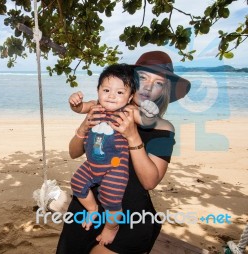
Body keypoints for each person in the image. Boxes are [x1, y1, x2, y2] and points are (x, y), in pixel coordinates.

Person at [56, 51, 191, 254]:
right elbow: (74, 152)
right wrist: (84, 127)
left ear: (163, 91)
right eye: (143, 78)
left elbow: (149, 182)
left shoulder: (163, 128)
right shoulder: (105, 108)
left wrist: (133, 136)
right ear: (131, 81)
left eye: (158, 83)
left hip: (129, 217)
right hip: (86, 207)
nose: (148, 86)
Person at [69, 64, 159, 246]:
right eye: (107, 90)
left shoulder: (128, 111)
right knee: (76, 183)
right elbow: (79, 108)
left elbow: (147, 120)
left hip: (115, 167)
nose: (111, 96)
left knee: (111, 197)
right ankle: (92, 208)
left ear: (130, 97)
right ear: (98, 90)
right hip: (92, 164)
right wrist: (75, 102)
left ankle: (111, 227)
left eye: (120, 92)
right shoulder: (95, 106)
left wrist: (149, 109)